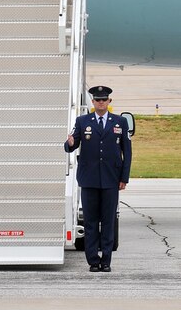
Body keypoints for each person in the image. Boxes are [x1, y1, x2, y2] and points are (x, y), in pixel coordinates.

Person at [64, 86, 132, 273]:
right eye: (97, 100)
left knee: (108, 221)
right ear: (92, 102)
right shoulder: (82, 121)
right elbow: (72, 144)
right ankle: (93, 260)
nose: (101, 103)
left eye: (104, 99)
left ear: (109, 102)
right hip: (89, 179)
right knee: (91, 221)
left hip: (111, 179)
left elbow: (127, 151)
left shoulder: (120, 122)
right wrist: (69, 143)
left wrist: (124, 177)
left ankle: (106, 261)